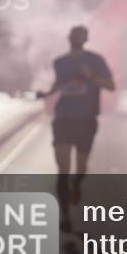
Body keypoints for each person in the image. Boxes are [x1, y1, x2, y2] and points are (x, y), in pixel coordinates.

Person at [36, 25, 115, 231]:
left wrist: (91, 77)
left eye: (81, 35)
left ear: (86, 38)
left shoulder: (95, 60)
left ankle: (77, 184)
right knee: (62, 169)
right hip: (63, 118)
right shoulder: (60, 62)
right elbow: (58, 84)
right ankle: (65, 216)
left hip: (86, 119)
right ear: (68, 37)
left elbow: (111, 85)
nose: (77, 38)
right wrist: (46, 93)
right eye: (74, 35)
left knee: (81, 167)